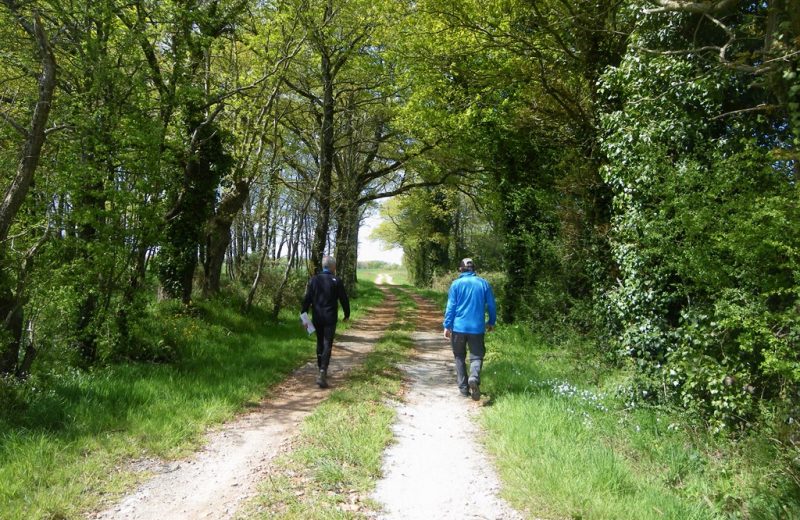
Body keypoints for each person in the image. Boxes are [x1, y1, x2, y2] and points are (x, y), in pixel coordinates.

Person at [443, 258, 496, 400]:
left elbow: (451, 307)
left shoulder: (455, 284)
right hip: (477, 328)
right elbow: (491, 305)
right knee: (477, 356)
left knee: (459, 356)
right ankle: (474, 377)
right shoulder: (483, 283)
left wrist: (447, 326)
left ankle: (464, 390)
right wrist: (491, 321)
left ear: (461, 269)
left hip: (458, 327)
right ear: (474, 269)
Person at [301, 255, 350, 388]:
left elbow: (306, 300)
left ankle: (320, 369)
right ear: (333, 266)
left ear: (323, 266)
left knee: (319, 341)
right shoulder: (336, 280)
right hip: (330, 318)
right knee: (327, 342)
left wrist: (303, 316)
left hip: (317, 317)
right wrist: (347, 314)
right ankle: (323, 370)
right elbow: (344, 299)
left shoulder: (314, 280)